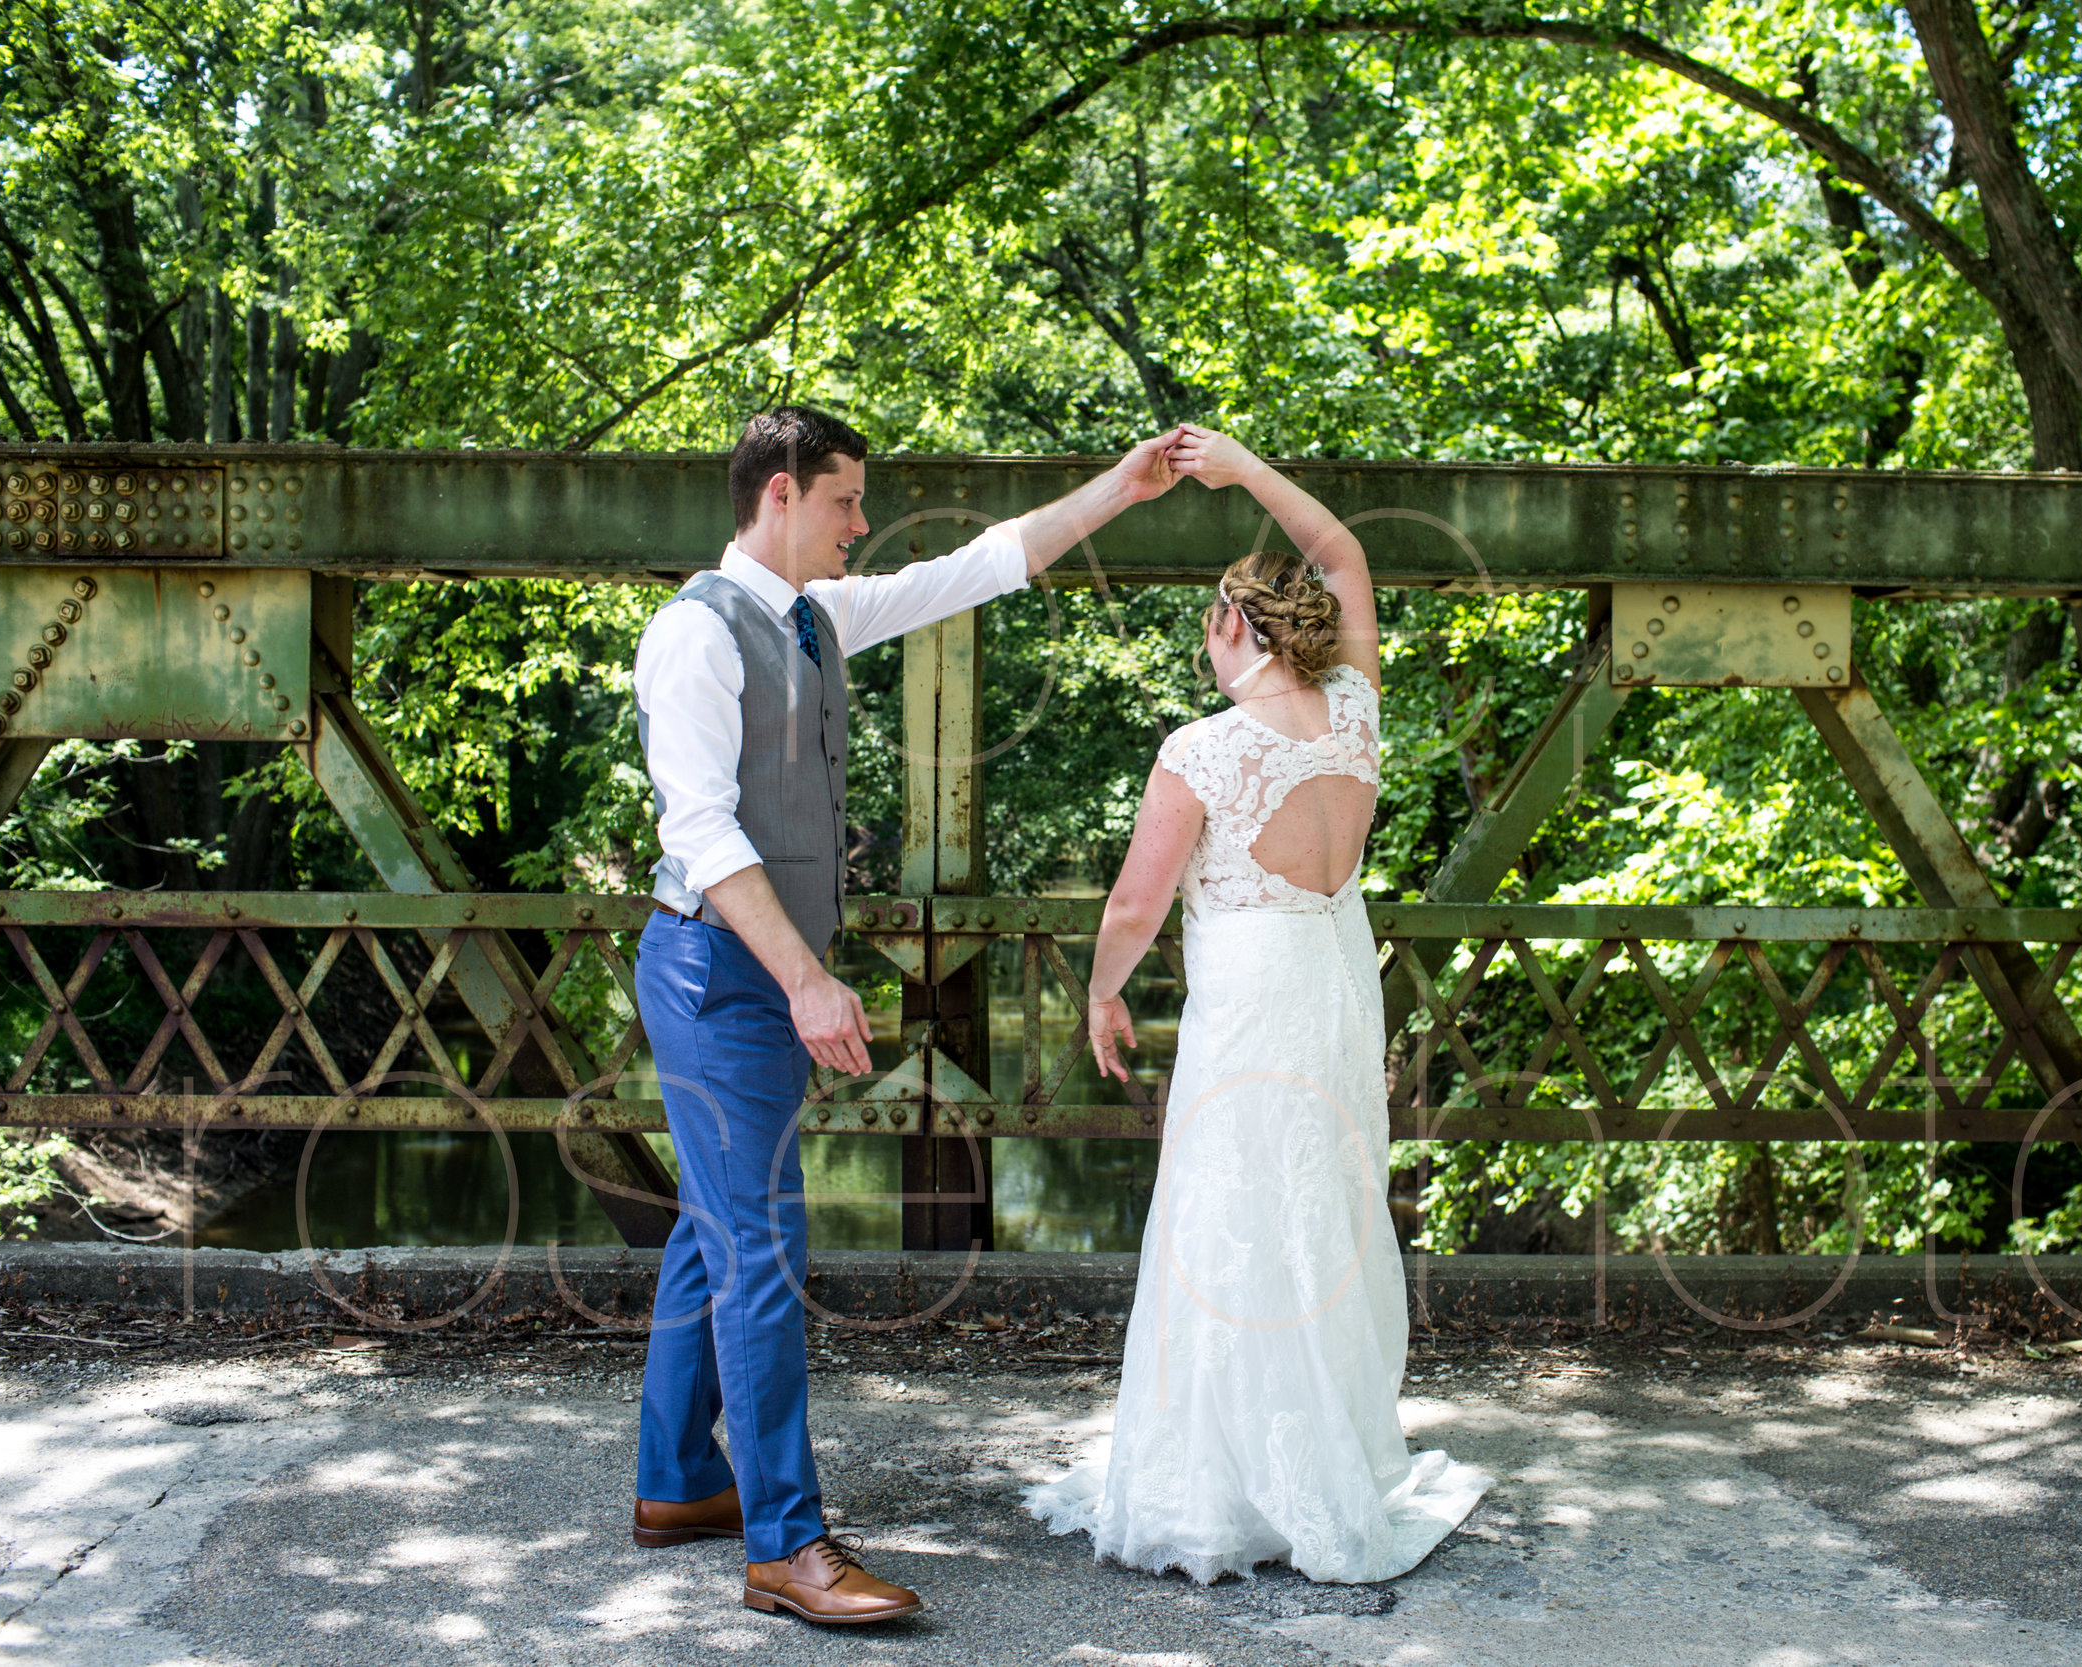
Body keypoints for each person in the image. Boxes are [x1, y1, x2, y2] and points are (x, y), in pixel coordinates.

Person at [629, 405, 1178, 1624]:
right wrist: (807, 976)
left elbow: (976, 566)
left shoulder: (816, 618)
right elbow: (702, 830)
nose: (861, 525)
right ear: (778, 493)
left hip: (746, 972)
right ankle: (785, 1543)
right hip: (716, 971)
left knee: (710, 1230)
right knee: (763, 1249)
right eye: (843, 502)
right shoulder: (693, 636)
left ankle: (674, 1481)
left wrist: (1119, 489)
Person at [1023, 424, 1492, 1584]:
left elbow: (1136, 903)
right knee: (1318, 1205)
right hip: (1335, 981)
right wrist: (1244, 467)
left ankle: (1226, 1482)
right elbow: (1340, 550)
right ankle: (1327, 1454)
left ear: (1231, 625)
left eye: (1205, 628)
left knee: (1225, 1216)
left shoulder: (1202, 748)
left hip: (1248, 996)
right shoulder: (1357, 710)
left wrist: (1100, 988)